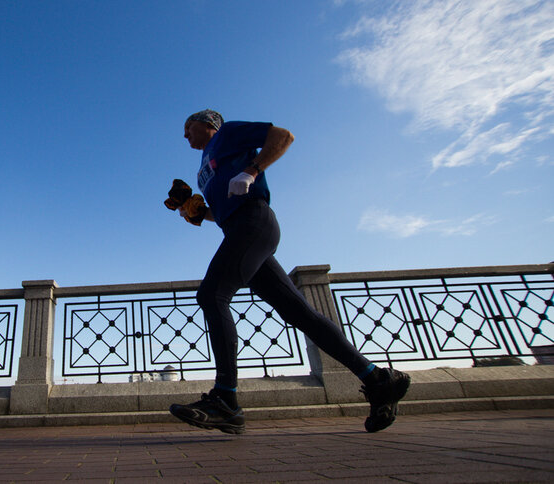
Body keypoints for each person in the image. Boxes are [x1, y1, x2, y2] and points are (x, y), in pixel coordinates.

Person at [168, 109, 410, 435]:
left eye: (189, 127)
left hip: (255, 222)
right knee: (302, 315)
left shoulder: (227, 134)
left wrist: (253, 170)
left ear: (208, 123)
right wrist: (195, 212)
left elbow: (283, 136)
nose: (185, 135)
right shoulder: (202, 171)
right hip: (239, 230)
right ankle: (377, 379)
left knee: (212, 295)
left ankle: (226, 399)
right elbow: (222, 210)